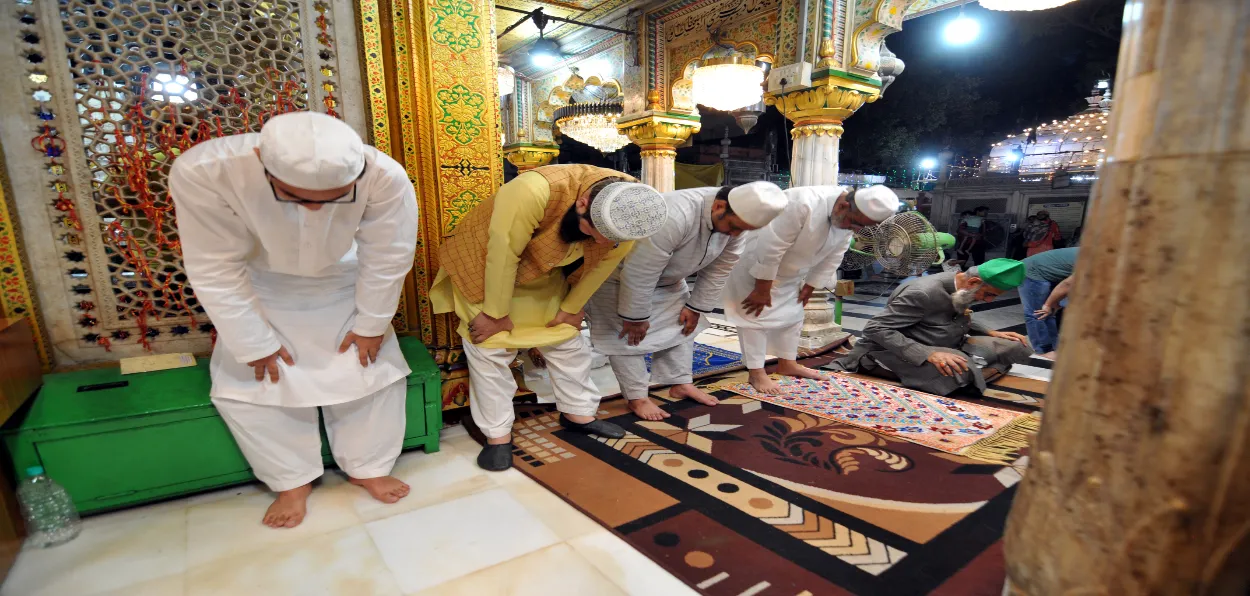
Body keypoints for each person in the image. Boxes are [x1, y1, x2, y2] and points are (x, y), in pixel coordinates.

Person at [170, 112, 419, 529]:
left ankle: (368, 467)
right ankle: (290, 482)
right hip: (259, 288)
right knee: (261, 387)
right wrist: (252, 341)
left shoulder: (384, 175)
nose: (317, 209)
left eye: (335, 197)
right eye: (297, 197)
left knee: (368, 378)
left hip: (344, 283)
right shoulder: (204, 171)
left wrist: (372, 323)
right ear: (260, 161)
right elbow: (213, 265)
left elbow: (389, 255)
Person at [429, 165, 667, 471]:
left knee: (566, 341)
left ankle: (578, 415)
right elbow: (503, 253)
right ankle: (497, 437)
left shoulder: (632, 205)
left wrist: (573, 306)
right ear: (582, 204)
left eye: (611, 239)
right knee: (492, 347)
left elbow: (605, 263)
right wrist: (495, 314)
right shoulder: (533, 190)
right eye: (596, 234)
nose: (604, 244)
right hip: (483, 267)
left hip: (545, 270)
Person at [587, 182, 788, 420]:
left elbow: (721, 267)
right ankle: (637, 398)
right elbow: (641, 269)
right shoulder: (675, 213)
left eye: (742, 230)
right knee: (627, 338)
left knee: (684, 327)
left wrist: (696, 306)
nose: (735, 235)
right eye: (734, 227)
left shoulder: (735, 224)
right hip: (619, 279)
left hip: (670, 280)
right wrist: (635, 316)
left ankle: (680, 384)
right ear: (719, 206)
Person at [724, 185, 900, 394]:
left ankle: (787, 363)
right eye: (854, 224)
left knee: (793, 316)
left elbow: (836, 254)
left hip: (793, 271)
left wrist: (811, 285)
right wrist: (762, 288)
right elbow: (772, 245)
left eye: (860, 227)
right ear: (844, 205)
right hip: (757, 266)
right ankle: (756, 371)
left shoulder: (847, 217)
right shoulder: (802, 202)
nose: (855, 230)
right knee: (755, 316)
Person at [829, 259, 1034, 396]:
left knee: (1017, 345)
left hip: (951, 343)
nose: (988, 301)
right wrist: (928, 354)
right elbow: (875, 328)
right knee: (961, 372)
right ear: (973, 282)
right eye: (989, 295)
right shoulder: (922, 293)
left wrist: (990, 332)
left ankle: (973, 369)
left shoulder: (962, 289)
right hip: (898, 350)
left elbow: (959, 313)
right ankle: (974, 369)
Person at [1020, 247, 1078, 357]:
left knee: (1050, 313)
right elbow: (1067, 284)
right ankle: (1043, 351)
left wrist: (1056, 303)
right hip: (1033, 271)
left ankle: (1054, 347)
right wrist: (1048, 304)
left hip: (1052, 273)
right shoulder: (1098, 259)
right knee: (1037, 313)